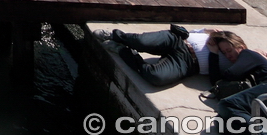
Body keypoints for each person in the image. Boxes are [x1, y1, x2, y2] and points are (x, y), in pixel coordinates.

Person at [93, 24, 247, 87]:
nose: (227, 55)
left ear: (240, 47)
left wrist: (214, 54)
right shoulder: (219, 38)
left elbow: (215, 80)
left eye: (229, 52)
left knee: (155, 77)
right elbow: (194, 33)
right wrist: (205, 31)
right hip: (178, 41)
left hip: (187, 63)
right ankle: (116, 35)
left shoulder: (236, 65)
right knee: (141, 41)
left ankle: (122, 50)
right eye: (225, 51)